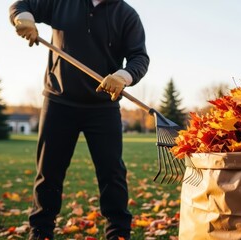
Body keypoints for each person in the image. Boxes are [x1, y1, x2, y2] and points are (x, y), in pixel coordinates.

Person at [9, 0, 149, 239]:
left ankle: (118, 232)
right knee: (48, 172)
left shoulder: (127, 15)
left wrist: (123, 76)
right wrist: (23, 17)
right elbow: (22, 4)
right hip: (58, 102)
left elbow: (139, 57)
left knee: (112, 173)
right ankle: (40, 230)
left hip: (103, 107)